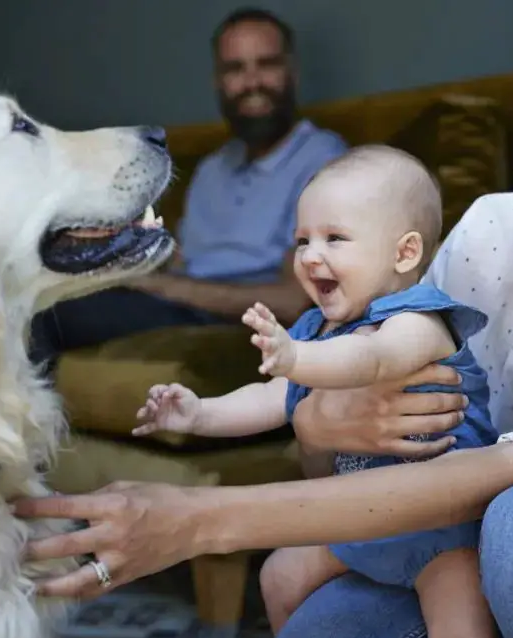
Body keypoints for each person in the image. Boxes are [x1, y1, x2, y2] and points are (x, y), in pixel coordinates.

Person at [14, 9, 513, 638]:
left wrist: (191, 520)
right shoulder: (491, 235)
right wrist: (318, 424)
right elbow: (366, 454)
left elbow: (481, 479)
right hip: (457, 560)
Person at [132, 145, 501, 638]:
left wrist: (299, 359)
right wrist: (198, 416)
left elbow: (372, 359)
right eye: (302, 240)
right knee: (279, 577)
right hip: (360, 521)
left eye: (335, 239)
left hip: (438, 531)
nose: (309, 255)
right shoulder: (318, 328)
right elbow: (270, 399)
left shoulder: (420, 320)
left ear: (404, 254)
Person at [29, 7, 348, 368]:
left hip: (227, 319)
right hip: (171, 305)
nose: (252, 82)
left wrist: (161, 287)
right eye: (235, 69)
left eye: (267, 64)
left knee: (46, 315)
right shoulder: (211, 168)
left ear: (292, 72)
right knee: (39, 293)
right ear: (218, 82)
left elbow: (295, 300)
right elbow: (180, 260)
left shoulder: (324, 159)